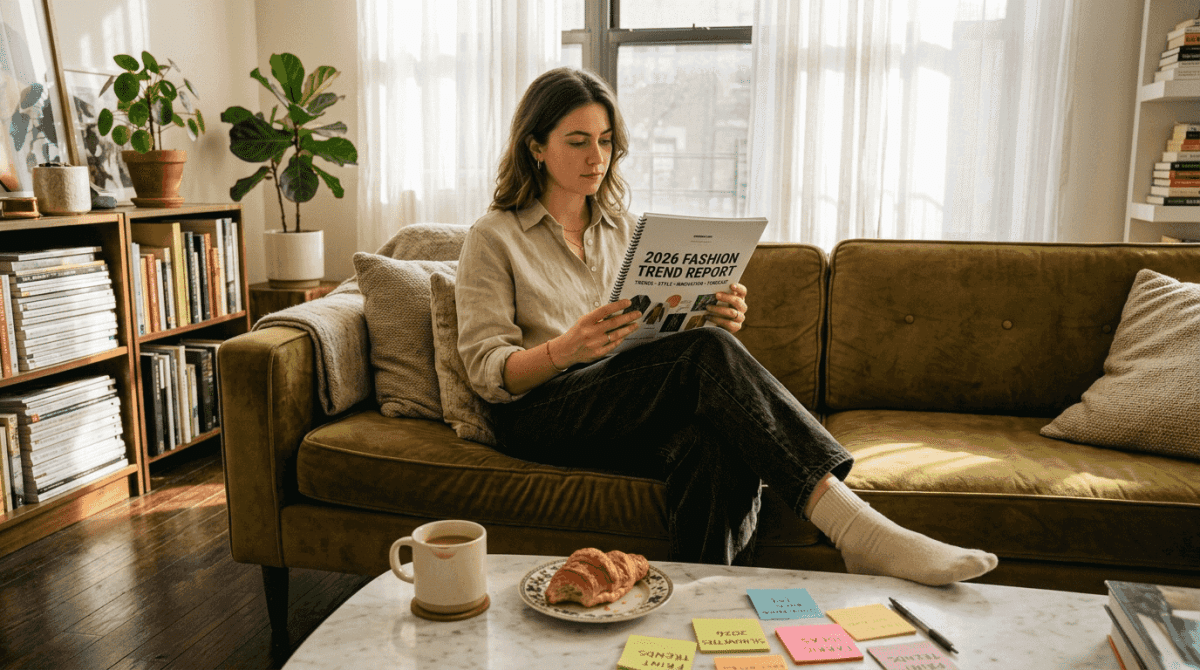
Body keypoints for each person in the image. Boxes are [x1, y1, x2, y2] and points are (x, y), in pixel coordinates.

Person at [455, 67, 998, 586]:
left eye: (605, 140)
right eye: (577, 141)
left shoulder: (623, 228)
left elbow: (648, 342)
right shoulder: (494, 236)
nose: (596, 157)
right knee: (703, 354)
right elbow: (486, 372)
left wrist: (705, 314)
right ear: (535, 146)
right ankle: (855, 527)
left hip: (616, 400)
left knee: (716, 438)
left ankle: (705, 606)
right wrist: (566, 348)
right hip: (536, 411)